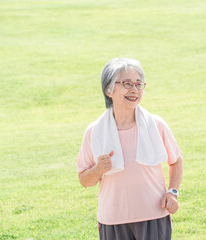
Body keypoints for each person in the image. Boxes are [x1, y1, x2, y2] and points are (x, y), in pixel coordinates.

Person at [77, 58, 183, 240]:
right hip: (112, 220)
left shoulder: (156, 125)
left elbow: (176, 161)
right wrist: (98, 169)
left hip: (154, 216)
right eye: (127, 84)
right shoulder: (94, 131)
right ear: (109, 90)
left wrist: (172, 192)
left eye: (139, 84)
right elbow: (85, 180)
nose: (134, 90)